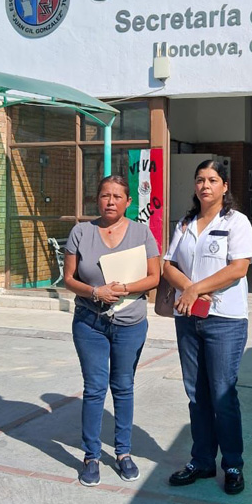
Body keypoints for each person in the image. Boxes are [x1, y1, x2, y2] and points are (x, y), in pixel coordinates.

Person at [162, 159, 252, 495]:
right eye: (200, 180)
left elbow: (238, 268)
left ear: (225, 186)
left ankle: (232, 464)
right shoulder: (185, 223)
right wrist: (188, 288)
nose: (205, 186)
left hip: (225, 320)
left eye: (213, 180)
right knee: (196, 394)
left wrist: (194, 288)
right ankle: (201, 461)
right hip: (188, 319)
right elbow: (168, 264)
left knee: (222, 394)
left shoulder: (236, 222)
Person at [63, 175, 161, 487]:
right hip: (89, 322)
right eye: (105, 195)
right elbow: (68, 278)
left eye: (117, 196)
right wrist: (95, 292)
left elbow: (155, 276)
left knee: (123, 386)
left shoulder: (142, 232)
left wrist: (124, 288)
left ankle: (123, 453)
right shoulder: (81, 231)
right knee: (94, 389)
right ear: (97, 199)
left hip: (130, 323)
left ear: (128, 201)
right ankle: (91, 456)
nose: (110, 201)